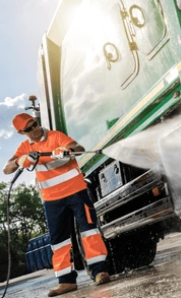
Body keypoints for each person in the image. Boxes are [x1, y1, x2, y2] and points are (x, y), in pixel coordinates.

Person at [2, 113, 110, 297]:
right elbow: (7, 168)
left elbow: (78, 147)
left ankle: (100, 271)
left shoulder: (55, 136)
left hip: (77, 193)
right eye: (29, 129)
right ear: (21, 132)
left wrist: (65, 150)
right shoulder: (25, 147)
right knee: (59, 242)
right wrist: (24, 160)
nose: (34, 129)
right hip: (52, 201)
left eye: (34, 124)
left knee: (89, 231)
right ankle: (66, 282)